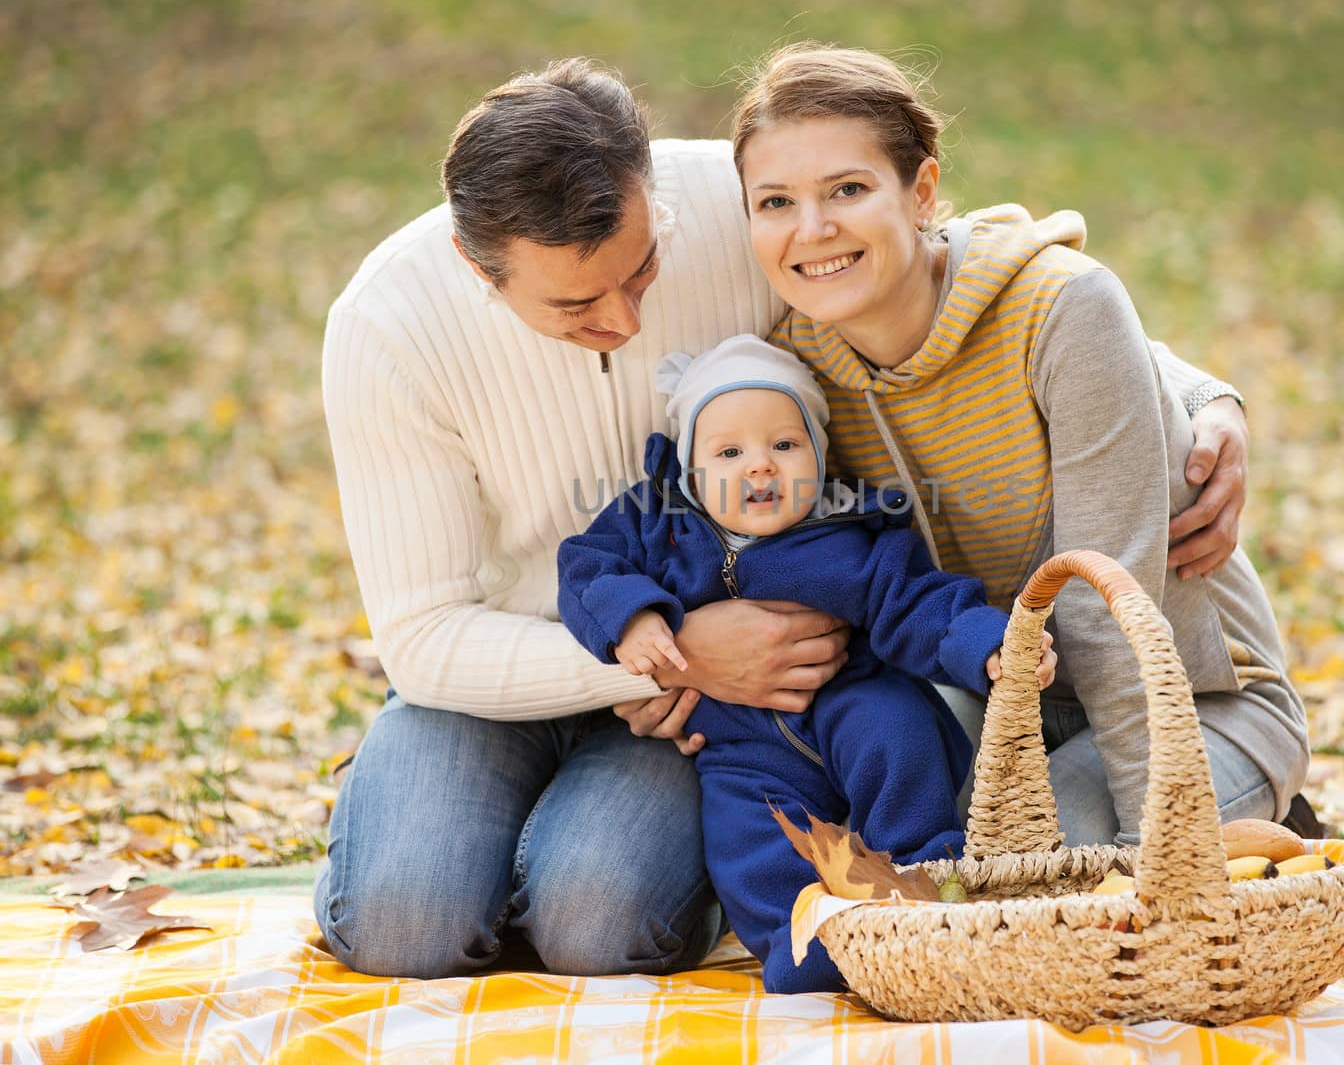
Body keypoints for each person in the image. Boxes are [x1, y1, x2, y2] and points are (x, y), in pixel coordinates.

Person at [316, 56, 1253, 979]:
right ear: (474, 266)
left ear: (653, 193)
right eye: (576, 304)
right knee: (406, 923)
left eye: (642, 272)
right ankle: (438, 854)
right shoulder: (388, 327)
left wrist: (1203, 400)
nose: (627, 320)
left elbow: (969, 269)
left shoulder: (741, 209)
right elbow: (423, 633)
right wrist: (673, 649)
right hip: (503, 668)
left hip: (712, 710)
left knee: (597, 922)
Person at [733, 44, 1313, 847]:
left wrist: (1165, 848)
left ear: (921, 191)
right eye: (775, 202)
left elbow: (1108, 617)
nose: (813, 228)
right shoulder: (791, 370)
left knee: (1039, 865)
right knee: (913, 852)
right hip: (999, 692)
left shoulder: (1057, 313)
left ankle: (1229, 816)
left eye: (849, 189)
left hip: (1194, 698)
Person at [556, 335, 1057, 992]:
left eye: (784, 446)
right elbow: (586, 564)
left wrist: (990, 645)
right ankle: (804, 941)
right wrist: (635, 617)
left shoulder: (850, 532)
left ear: (819, 457)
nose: (760, 467)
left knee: (898, 739)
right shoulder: (658, 524)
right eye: (730, 452)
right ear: (690, 470)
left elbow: (919, 601)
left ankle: (932, 892)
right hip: (741, 740)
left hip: (852, 697)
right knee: (747, 837)